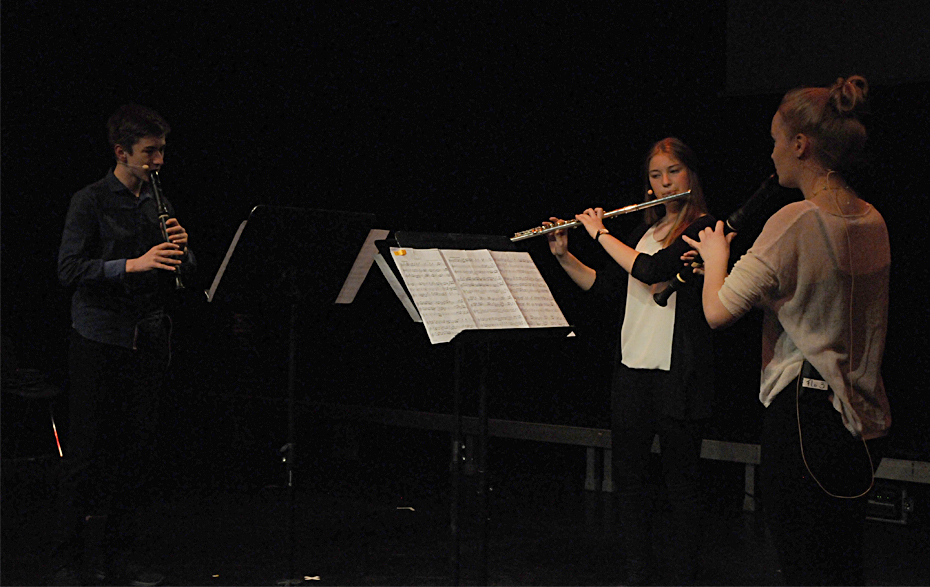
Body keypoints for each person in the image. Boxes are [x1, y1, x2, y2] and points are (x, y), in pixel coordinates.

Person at [683, 75, 890, 586]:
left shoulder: (794, 220)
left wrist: (716, 258)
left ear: (801, 145)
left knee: (802, 564)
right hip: (861, 416)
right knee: (841, 564)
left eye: (776, 141)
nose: (772, 154)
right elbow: (822, 300)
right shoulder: (873, 219)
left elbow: (717, 311)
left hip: (805, 415)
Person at [546, 137, 716, 585]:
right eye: (656, 176)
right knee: (630, 483)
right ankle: (638, 573)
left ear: (691, 175)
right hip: (633, 373)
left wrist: (600, 232)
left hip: (677, 375)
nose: (664, 183)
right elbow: (611, 288)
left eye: (673, 172)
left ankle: (684, 576)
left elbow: (651, 271)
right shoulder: (646, 233)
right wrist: (565, 256)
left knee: (682, 487)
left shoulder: (705, 228)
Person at [52, 104, 196, 586]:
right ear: (122, 153)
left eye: (161, 151)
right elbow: (69, 270)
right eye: (149, 152)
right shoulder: (90, 200)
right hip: (99, 337)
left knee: (135, 455)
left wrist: (183, 249)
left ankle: (120, 558)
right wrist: (132, 264)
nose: (158, 161)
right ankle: (67, 561)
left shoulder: (159, 201)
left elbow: (182, 269)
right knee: (87, 455)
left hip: (147, 339)